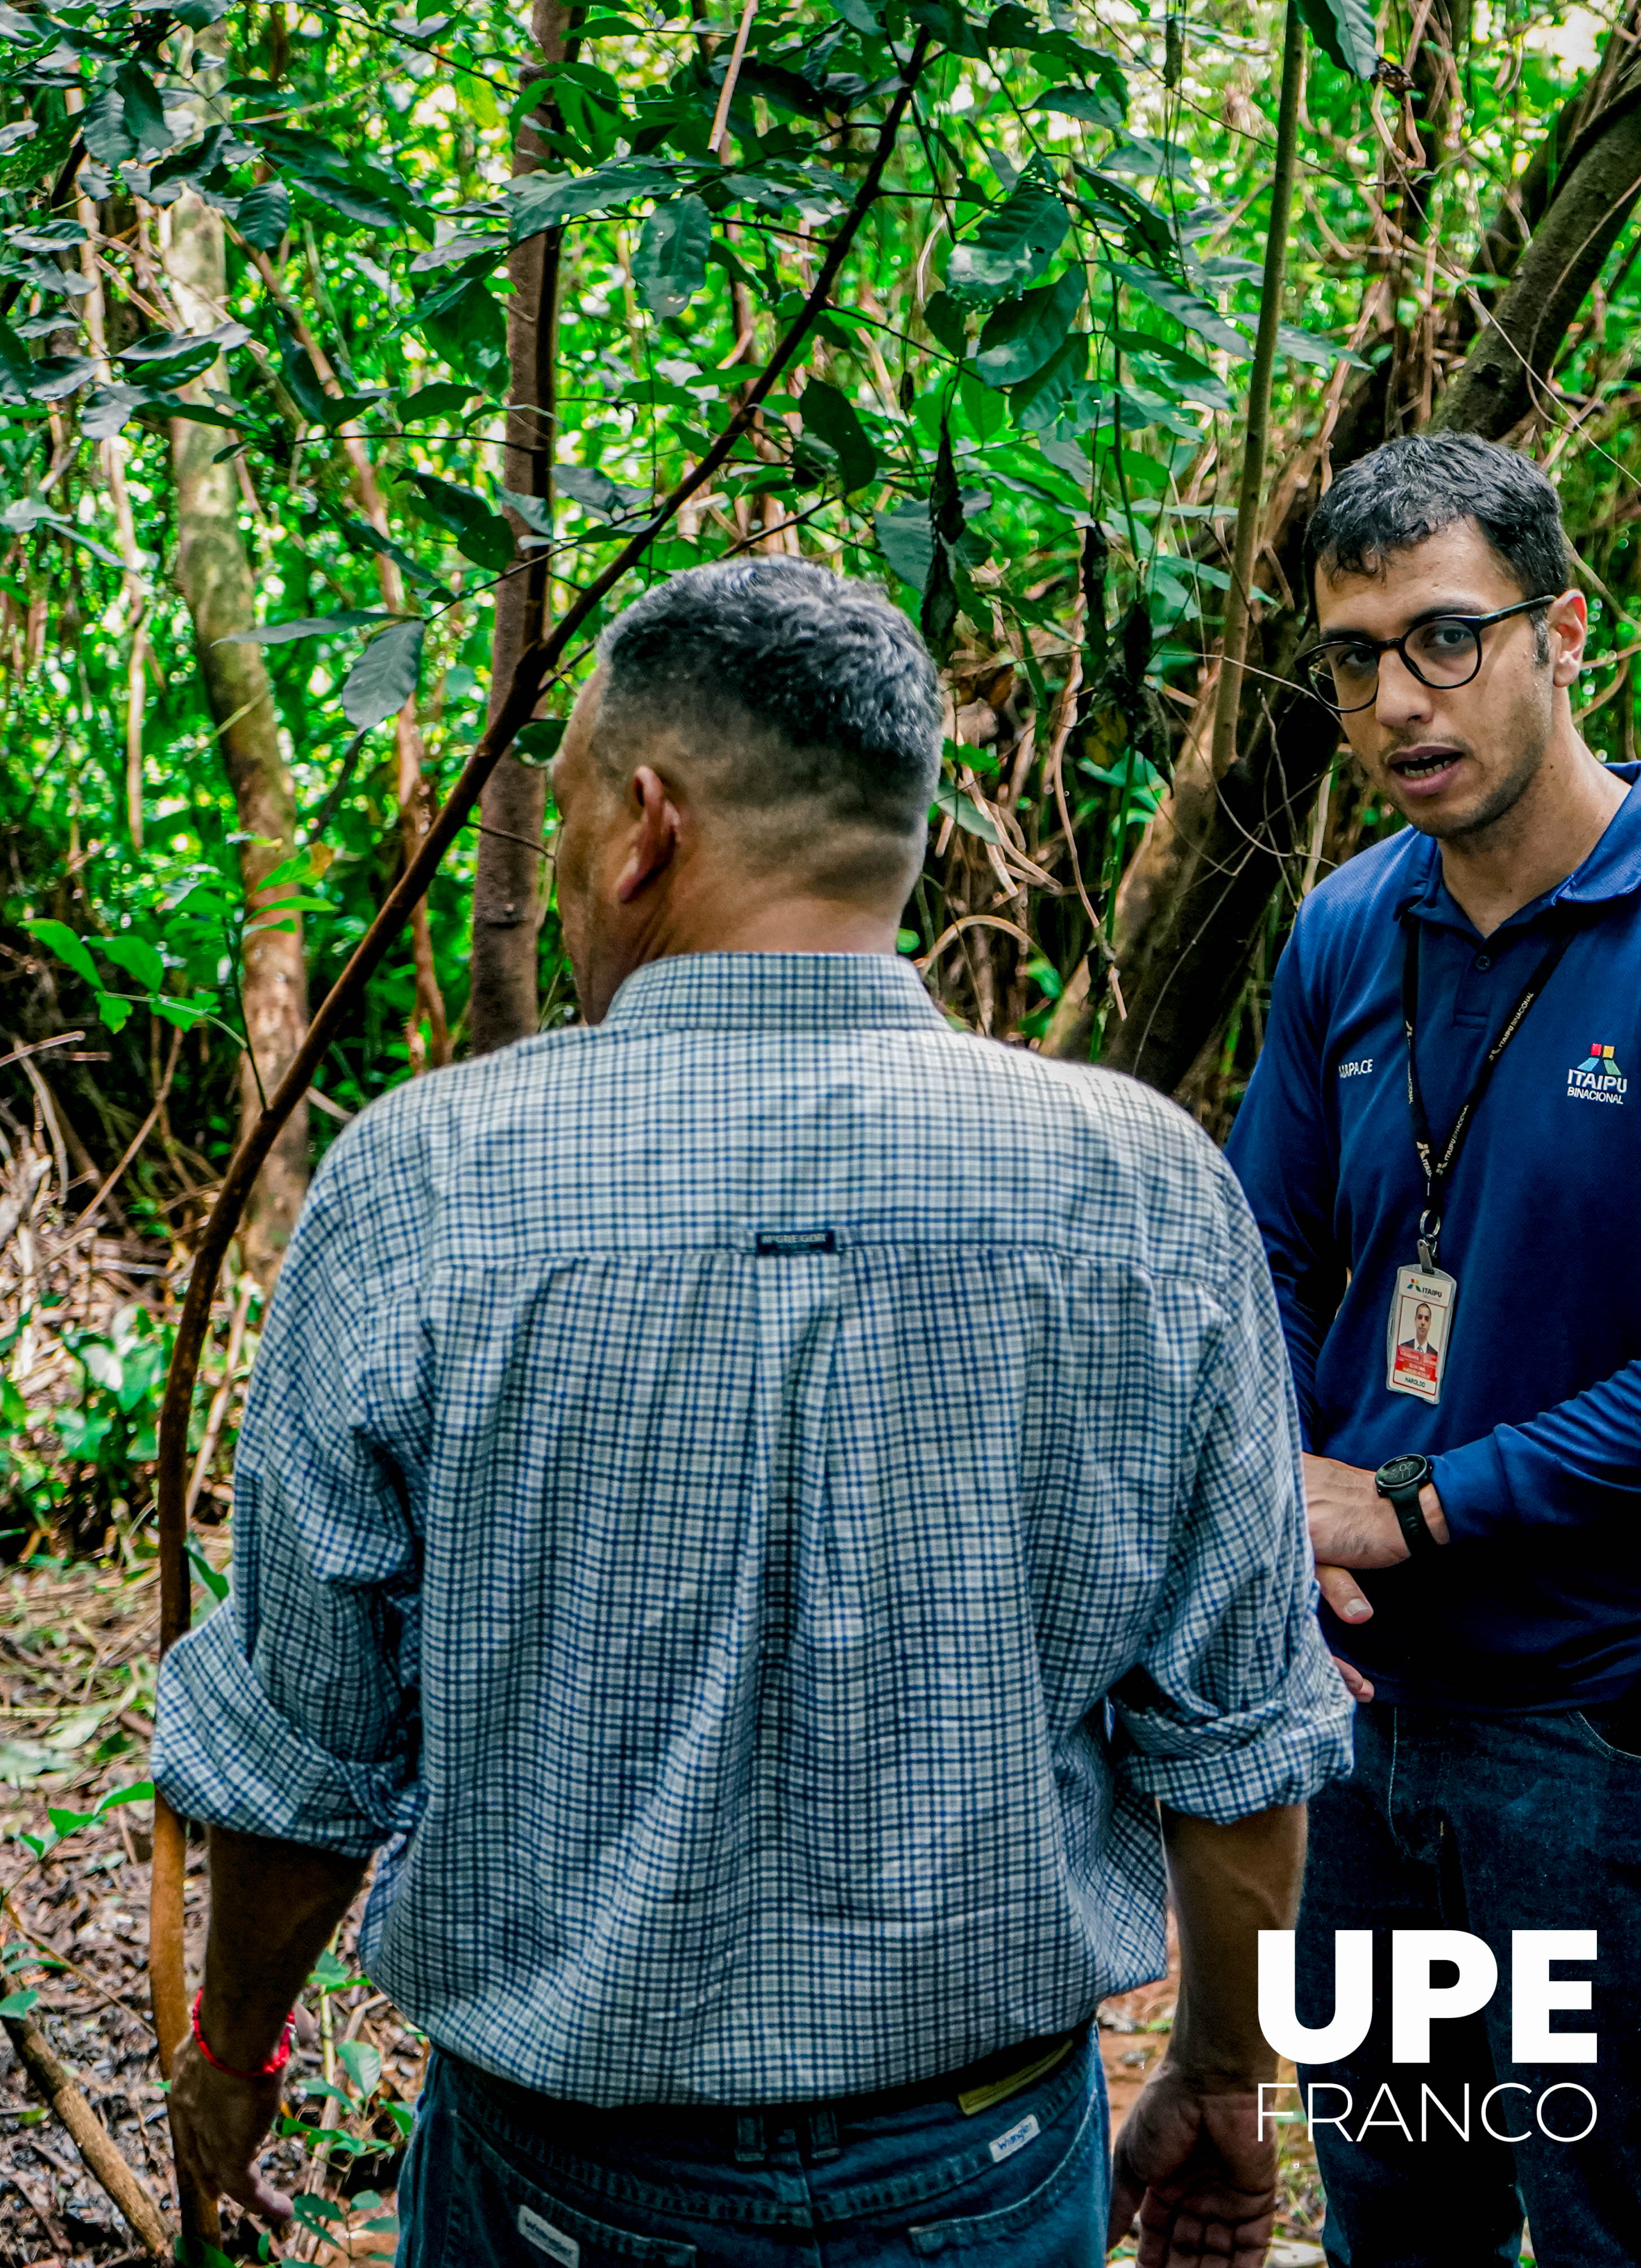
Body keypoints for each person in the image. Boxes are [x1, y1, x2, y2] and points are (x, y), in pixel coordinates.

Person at [152, 559, 1351, 2268]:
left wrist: (235, 2057)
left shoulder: (422, 1183)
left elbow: (304, 1758)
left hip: (567, 2187)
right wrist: (1225, 2095)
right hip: (986, 2167)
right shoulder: (1148, 1187)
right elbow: (1238, 1749)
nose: (565, 874)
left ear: (647, 822)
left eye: (567, 820)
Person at [1223, 433, 1641, 2266]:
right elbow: (1263, 1250)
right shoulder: (1352, 929)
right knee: (1398, 2218)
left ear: (1559, 632)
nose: (1397, 700)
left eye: (1446, 640)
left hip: (1596, 1745)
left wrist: (1411, 1507)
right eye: (1352, 659)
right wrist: (1283, 1495)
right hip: (1368, 1744)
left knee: (1616, 2235)